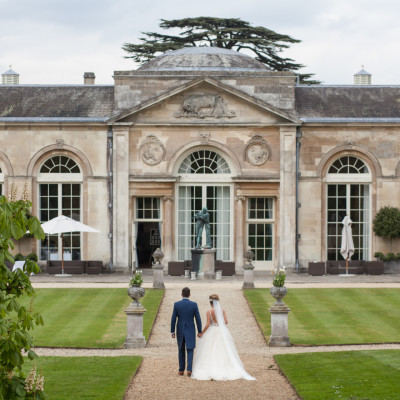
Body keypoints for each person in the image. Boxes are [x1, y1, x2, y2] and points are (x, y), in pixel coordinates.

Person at [191, 294, 255, 381]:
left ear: (210, 303)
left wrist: (201, 332)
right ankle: (225, 367)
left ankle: (210, 368)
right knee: (223, 348)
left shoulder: (209, 312)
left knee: (210, 349)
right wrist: (219, 323)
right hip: (220, 331)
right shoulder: (222, 310)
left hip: (212, 330)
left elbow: (208, 324)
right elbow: (226, 321)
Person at [171, 287, 202, 377]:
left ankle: (181, 370)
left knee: (181, 349)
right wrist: (199, 330)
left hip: (180, 328)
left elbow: (173, 319)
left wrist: (172, 331)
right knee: (190, 349)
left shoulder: (177, 304)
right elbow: (198, 319)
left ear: (181, 294)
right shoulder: (194, 305)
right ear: (189, 295)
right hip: (190, 328)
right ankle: (189, 370)